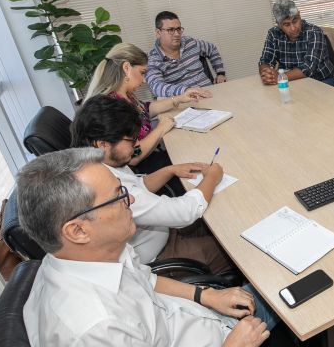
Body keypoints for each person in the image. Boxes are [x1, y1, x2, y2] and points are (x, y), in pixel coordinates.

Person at [18, 147, 334, 347]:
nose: (132, 199)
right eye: (119, 196)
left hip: (198, 328)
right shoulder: (94, 330)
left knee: (279, 275)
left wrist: (207, 295)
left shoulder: (92, 255)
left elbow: (146, 280)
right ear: (77, 230)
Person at [71, 95, 230, 274]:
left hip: (162, 231)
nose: (137, 145)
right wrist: (212, 177)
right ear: (102, 144)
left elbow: (139, 184)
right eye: (131, 141)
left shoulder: (100, 163)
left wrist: (170, 170)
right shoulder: (108, 190)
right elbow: (185, 212)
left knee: (221, 222)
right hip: (158, 258)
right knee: (230, 248)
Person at [85, 43, 211, 171]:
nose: (144, 80)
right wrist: (161, 129)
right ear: (127, 68)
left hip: (152, 155)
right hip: (143, 169)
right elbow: (133, 156)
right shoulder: (111, 107)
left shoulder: (124, 95)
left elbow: (145, 109)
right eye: (142, 73)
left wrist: (179, 99)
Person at [147, 11, 229, 97]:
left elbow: (212, 49)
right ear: (158, 33)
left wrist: (220, 73)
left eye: (178, 29)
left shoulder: (190, 42)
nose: (177, 34)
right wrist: (187, 91)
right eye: (170, 30)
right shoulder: (153, 59)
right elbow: (156, 87)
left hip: (210, 93)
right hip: (185, 102)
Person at [258, 0, 334, 86]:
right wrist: (266, 73)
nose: (293, 28)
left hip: (321, 80)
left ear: (299, 14)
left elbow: (308, 68)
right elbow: (265, 61)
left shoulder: (314, 32)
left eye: (295, 21)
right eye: (286, 24)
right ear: (279, 24)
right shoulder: (273, 34)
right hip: (290, 80)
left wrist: (280, 77)